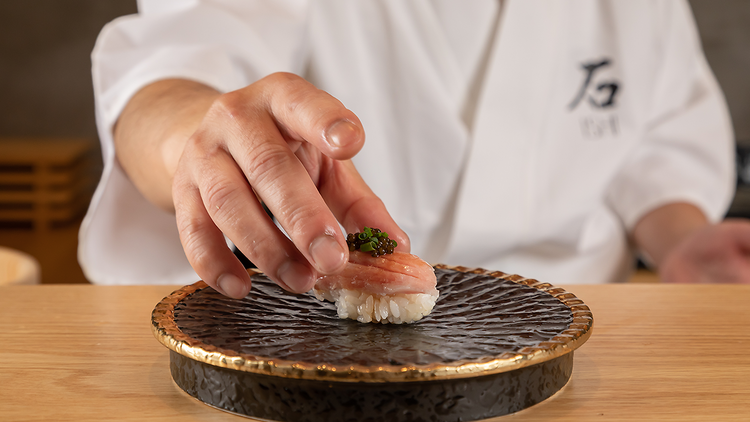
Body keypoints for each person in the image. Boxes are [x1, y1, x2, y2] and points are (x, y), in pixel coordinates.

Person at [79, 0, 750, 298]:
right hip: (309, 345)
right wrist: (201, 137)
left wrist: (683, 240)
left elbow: (648, 147)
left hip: (576, 356)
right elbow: (162, 87)